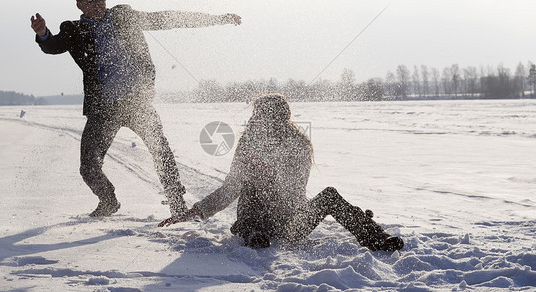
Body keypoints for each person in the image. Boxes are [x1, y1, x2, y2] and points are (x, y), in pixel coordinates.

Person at [31, 0, 241, 218]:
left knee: (161, 152)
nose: (98, 3)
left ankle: (177, 204)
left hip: (136, 103)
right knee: (88, 167)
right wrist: (42, 34)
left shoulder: (124, 16)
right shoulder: (73, 30)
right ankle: (108, 201)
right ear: (79, 4)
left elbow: (167, 19)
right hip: (103, 109)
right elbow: (52, 45)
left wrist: (217, 19)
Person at [159, 94, 404, 252]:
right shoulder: (247, 145)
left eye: (264, 116)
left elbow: (295, 190)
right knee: (252, 187)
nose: (259, 120)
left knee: (329, 195)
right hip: (254, 220)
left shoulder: (298, 144)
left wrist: (273, 173)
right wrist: (195, 211)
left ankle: (376, 238)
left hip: (290, 223)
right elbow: (231, 188)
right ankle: (254, 233)